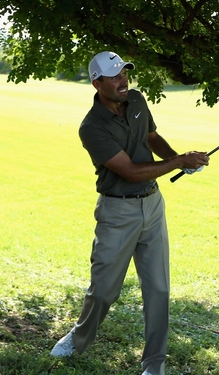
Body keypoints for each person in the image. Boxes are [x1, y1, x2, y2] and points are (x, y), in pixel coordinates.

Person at [50, 51, 209, 375]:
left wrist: (179, 157)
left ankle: (154, 365)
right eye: (115, 77)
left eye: (124, 73)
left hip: (152, 205)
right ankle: (78, 338)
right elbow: (131, 171)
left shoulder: (136, 100)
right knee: (104, 290)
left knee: (159, 289)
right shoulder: (91, 127)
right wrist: (178, 163)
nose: (123, 81)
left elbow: (151, 137)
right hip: (117, 212)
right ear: (97, 83)